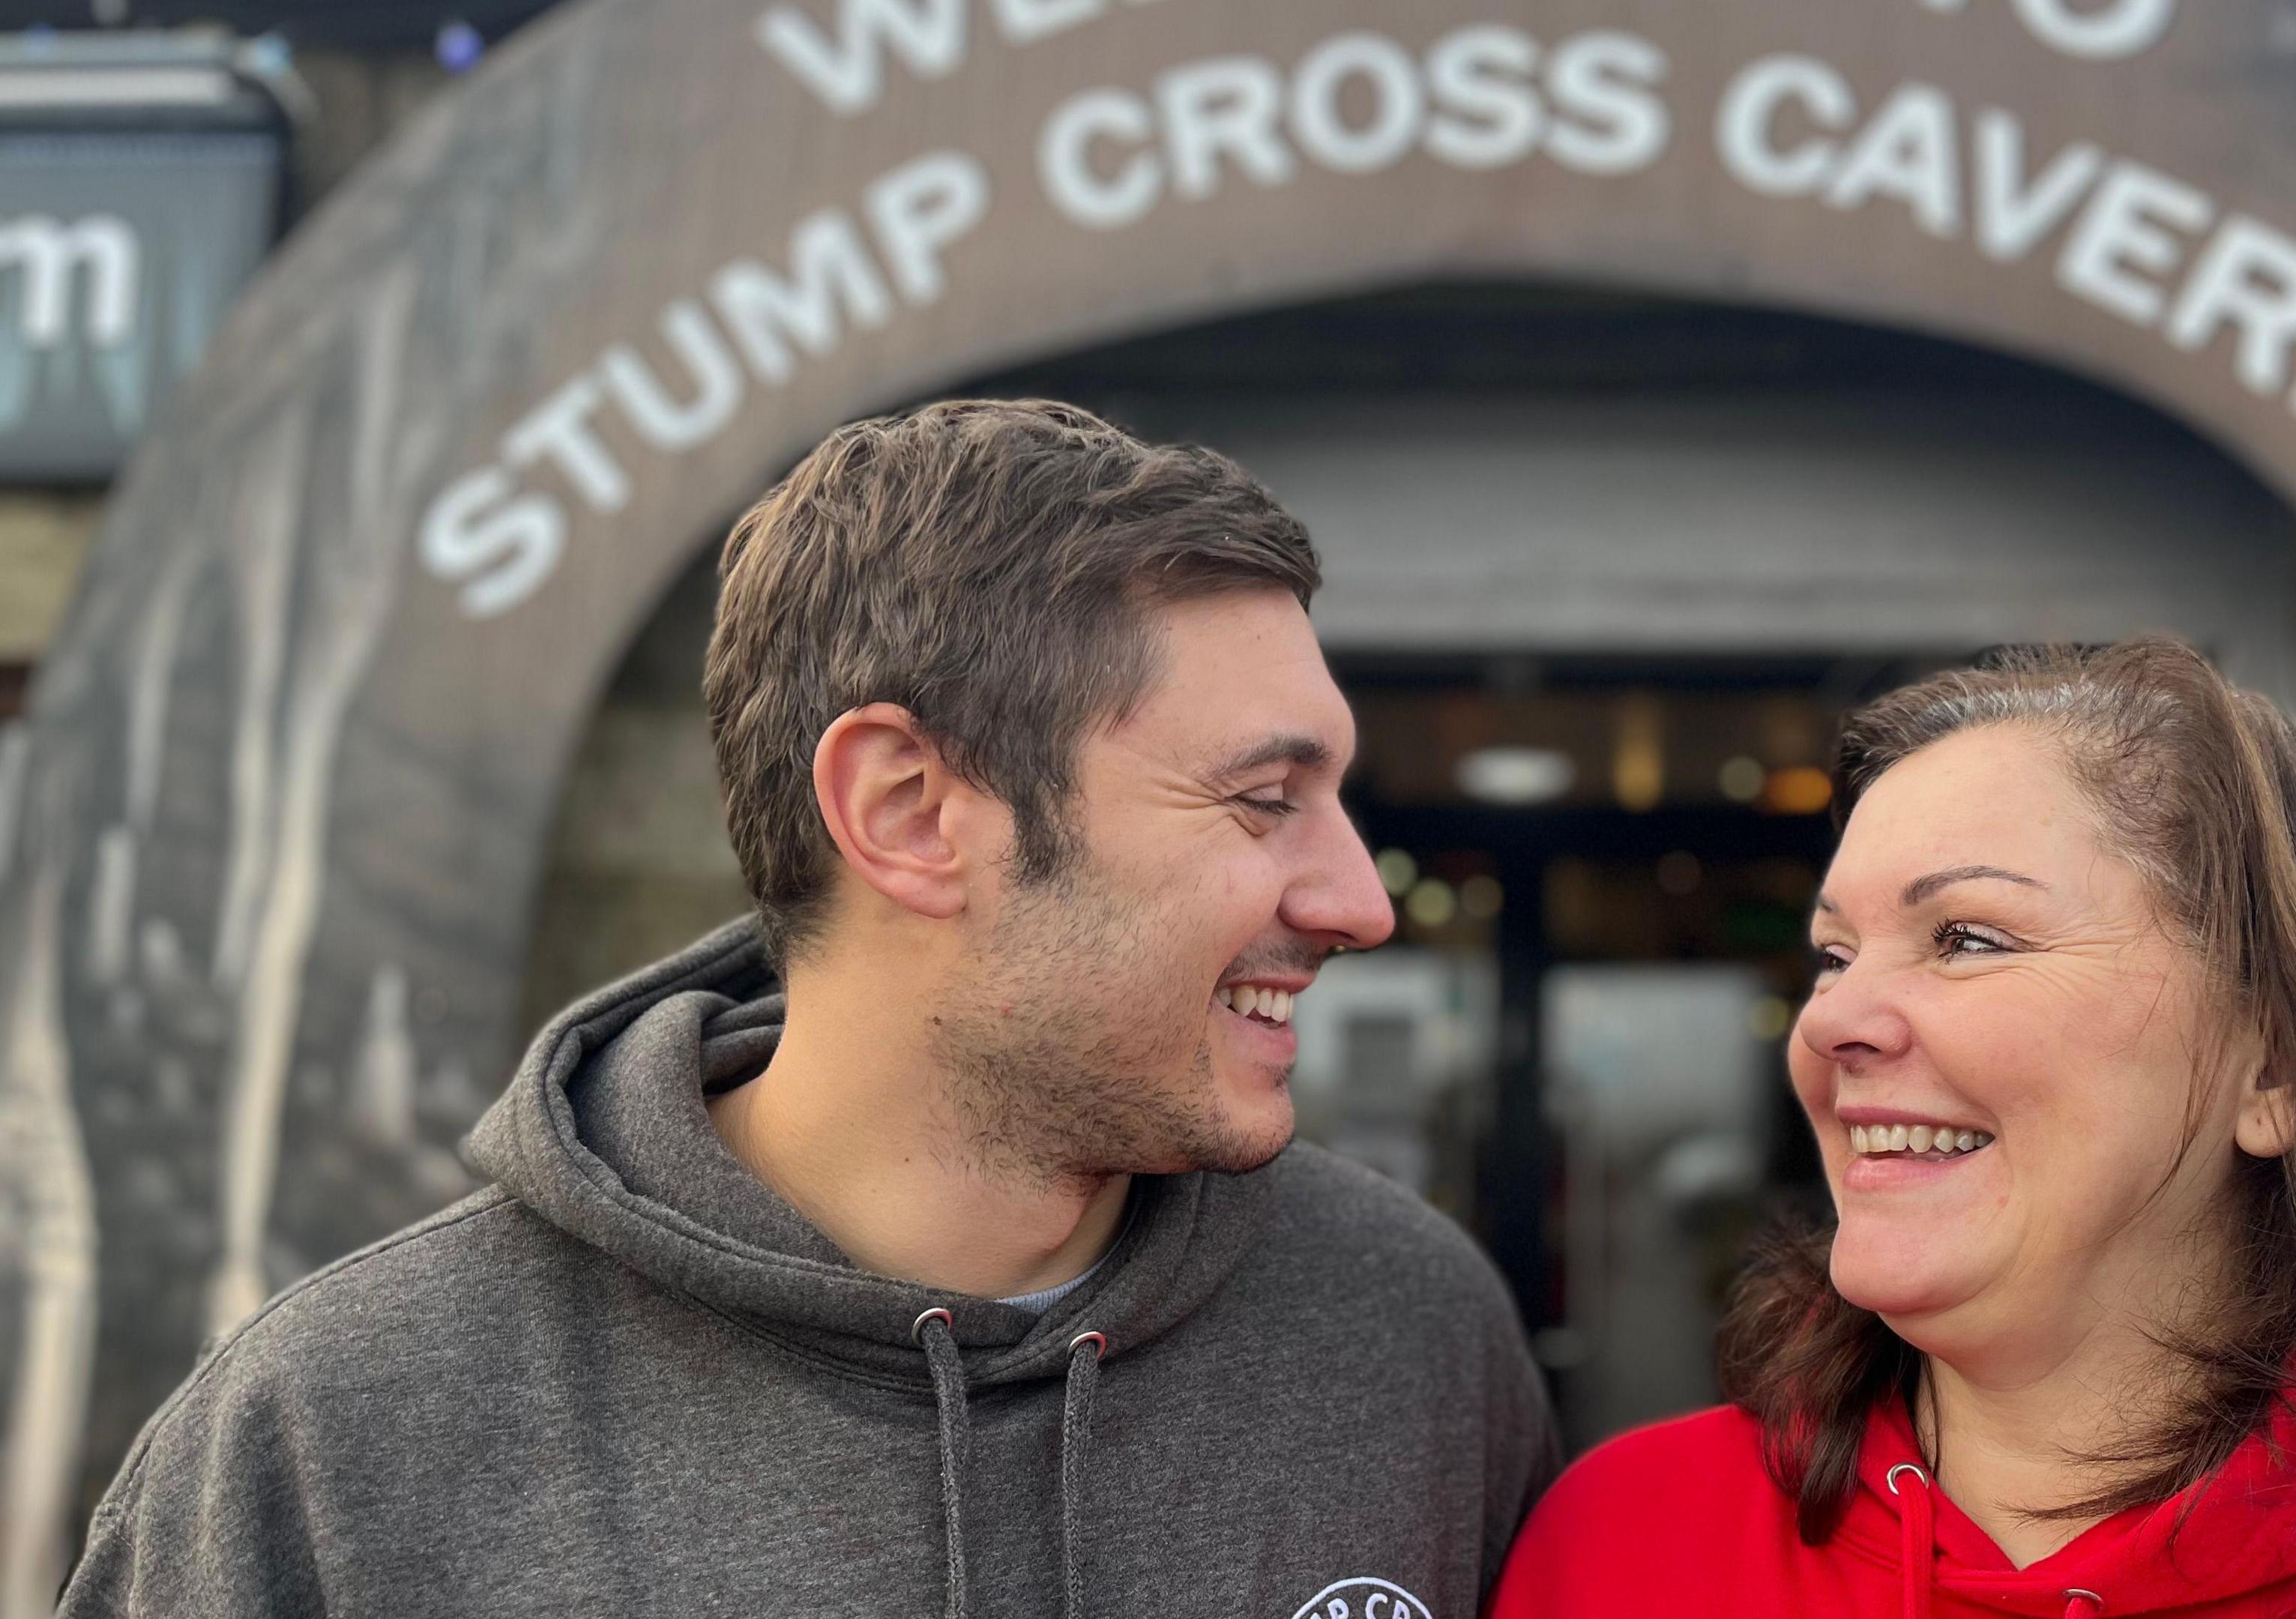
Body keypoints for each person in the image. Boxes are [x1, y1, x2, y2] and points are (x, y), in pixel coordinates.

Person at [65, 400, 1558, 1618]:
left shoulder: (1412, 1336)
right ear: (908, 811)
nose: (1362, 901)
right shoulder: (340, 1435)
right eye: (1262, 798)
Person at [1490, 639, 2296, 1618]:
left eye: (1968, 938)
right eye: (1832, 954)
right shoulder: (1626, 1543)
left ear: (2275, 1066)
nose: (1832, 1022)